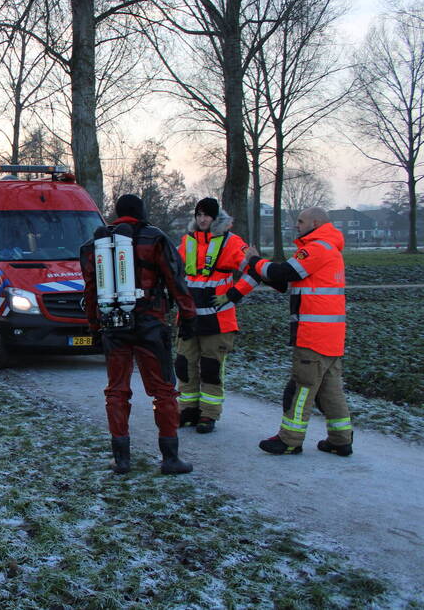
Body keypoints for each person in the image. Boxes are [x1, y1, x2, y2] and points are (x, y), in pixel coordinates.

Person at [80, 194, 198, 475]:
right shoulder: (155, 239)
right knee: (163, 391)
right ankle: (170, 458)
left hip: (113, 325)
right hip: (150, 325)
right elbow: (175, 279)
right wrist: (189, 316)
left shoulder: (95, 247)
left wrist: (95, 327)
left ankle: (121, 459)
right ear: (142, 211)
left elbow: (90, 291)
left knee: (117, 391)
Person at [244, 207, 354, 456]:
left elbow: (284, 273)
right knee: (331, 390)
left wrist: (253, 261)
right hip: (331, 336)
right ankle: (340, 440)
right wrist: (260, 270)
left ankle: (290, 439)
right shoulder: (330, 249)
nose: (297, 226)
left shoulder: (317, 248)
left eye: (301, 221)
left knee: (301, 387)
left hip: (313, 335)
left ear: (316, 222)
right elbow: (285, 283)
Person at [175, 198, 258, 434]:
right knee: (184, 365)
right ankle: (188, 410)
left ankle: (209, 415)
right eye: (199, 214)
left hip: (218, 320)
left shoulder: (232, 243)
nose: (202, 219)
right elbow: (174, 272)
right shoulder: (187, 242)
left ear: (216, 218)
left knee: (211, 368)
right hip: (189, 319)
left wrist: (233, 295)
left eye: (207, 215)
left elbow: (255, 270)